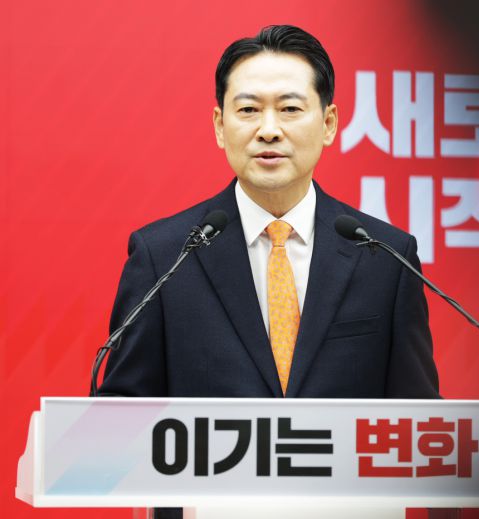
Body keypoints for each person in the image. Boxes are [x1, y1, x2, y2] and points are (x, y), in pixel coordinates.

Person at [97, 25, 440, 400]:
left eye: (290, 109)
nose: (269, 130)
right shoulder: (163, 257)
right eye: (249, 110)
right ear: (220, 126)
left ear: (328, 124)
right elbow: (120, 414)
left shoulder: (386, 258)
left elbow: (419, 417)